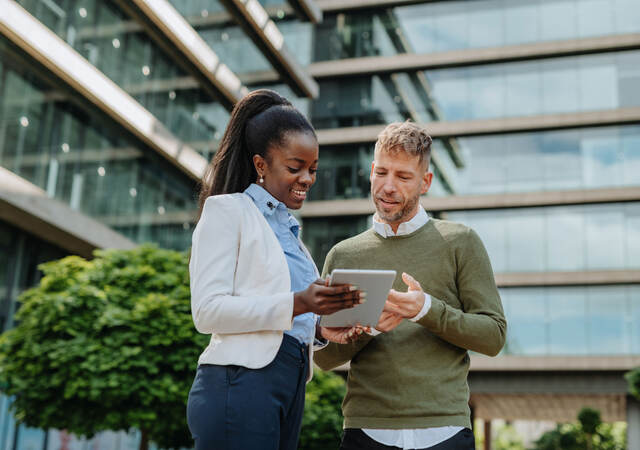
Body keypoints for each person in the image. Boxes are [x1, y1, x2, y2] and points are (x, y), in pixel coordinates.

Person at [187, 89, 365, 450]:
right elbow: (207, 312)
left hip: (289, 385)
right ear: (260, 165)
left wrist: (323, 328)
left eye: (312, 169)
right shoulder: (228, 211)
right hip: (240, 385)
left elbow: (287, 316)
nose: (307, 179)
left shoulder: (290, 233)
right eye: (294, 167)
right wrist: (300, 302)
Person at [314, 121, 507, 450]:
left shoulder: (461, 242)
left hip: (444, 430)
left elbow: (493, 337)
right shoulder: (343, 255)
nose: (388, 187)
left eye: (403, 177)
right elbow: (325, 358)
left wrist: (427, 310)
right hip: (365, 431)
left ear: (425, 182)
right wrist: (368, 329)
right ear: (371, 171)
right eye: (382, 173)